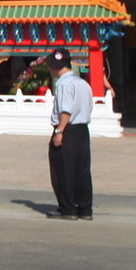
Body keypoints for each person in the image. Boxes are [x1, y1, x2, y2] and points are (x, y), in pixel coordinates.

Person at [44, 48, 94, 220]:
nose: (49, 69)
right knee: (82, 170)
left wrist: (59, 131)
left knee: (63, 170)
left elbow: (66, 110)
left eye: (50, 66)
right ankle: (85, 209)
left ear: (56, 67)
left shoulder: (64, 84)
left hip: (67, 129)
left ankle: (67, 208)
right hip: (82, 130)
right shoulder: (82, 83)